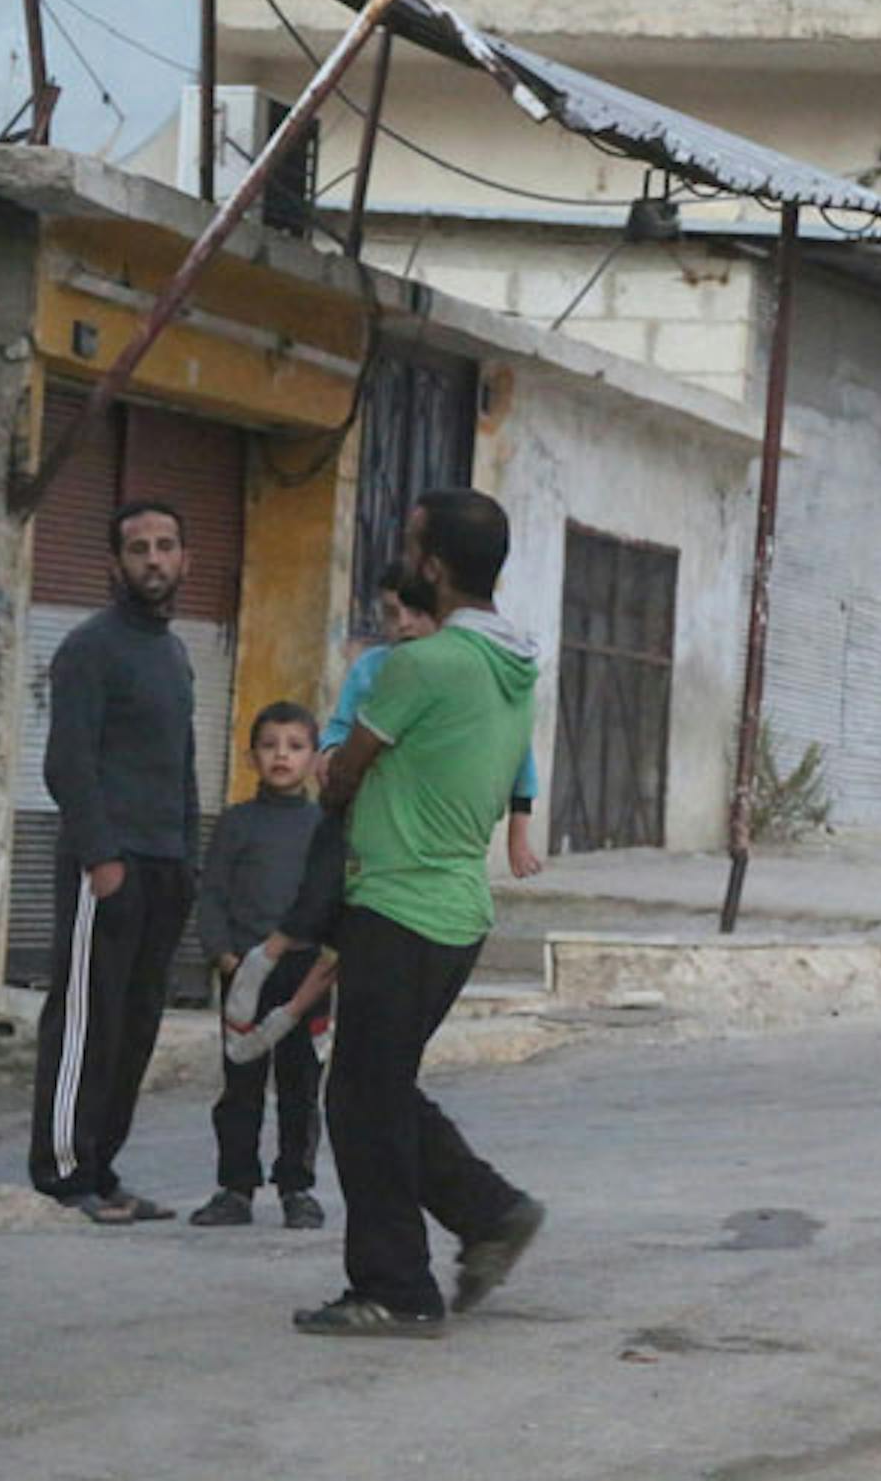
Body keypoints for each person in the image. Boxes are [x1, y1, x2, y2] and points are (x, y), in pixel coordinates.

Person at [300, 489, 548, 1339]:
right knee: (379, 1086)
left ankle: (396, 1285)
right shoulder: (513, 666)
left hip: (398, 904)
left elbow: (339, 776)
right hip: (453, 911)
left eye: (411, 544)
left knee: (360, 1098)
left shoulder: (421, 664)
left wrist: (338, 769)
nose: (403, 555)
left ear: (434, 566)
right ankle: (491, 1211)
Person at [27, 499, 201, 1223]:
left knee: (136, 1023)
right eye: (138, 548)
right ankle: (65, 1172)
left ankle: (104, 1167)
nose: (153, 559)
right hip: (112, 863)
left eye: (165, 545)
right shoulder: (89, 648)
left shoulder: (175, 652)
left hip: (166, 866)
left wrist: (189, 860)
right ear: (115, 563)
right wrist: (101, 857)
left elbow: (184, 765)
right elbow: (67, 763)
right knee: (85, 1019)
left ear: (184, 559)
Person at [189, 702, 332, 1232]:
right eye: (271, 746)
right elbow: (212, 894)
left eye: (295, 747)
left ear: (314, 759)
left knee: (301, 1086)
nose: (282, 756)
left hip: (307, 977)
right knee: (240, 1087)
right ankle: (235, 1188)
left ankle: (297, 1188)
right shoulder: (236, 823)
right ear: (253, 757)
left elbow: (334, 897)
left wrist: (330, 962)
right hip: (246, 974)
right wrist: (224, 956)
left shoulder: (325, 826)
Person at [325, 565, 543, 883]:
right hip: (373, 821)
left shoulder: (467, 671)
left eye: (415, 611)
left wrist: (517, 835)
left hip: (437, 825)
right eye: (390, 612)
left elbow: (519, 758)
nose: (402, 623)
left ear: (440, 614)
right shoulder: (371, 669)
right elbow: (340, 727)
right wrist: (329, 752)